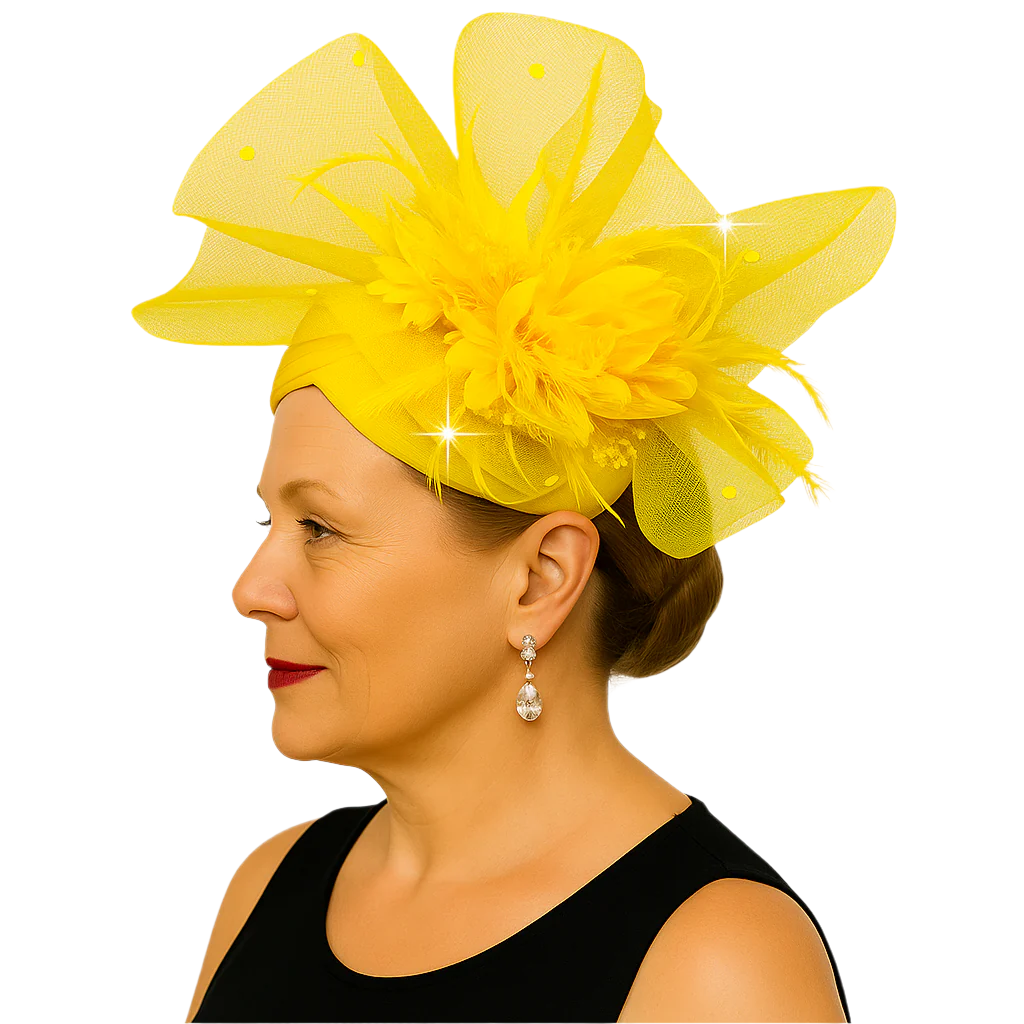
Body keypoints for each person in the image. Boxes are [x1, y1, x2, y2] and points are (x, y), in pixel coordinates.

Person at [132, 13, 894, 1022]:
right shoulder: (269, 886)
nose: (252, 588)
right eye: (269, 524)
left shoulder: (718, 964)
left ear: (539, 578)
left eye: (318, 528)